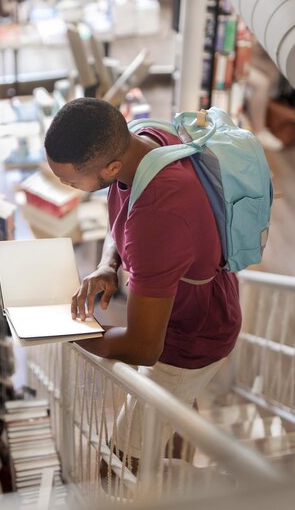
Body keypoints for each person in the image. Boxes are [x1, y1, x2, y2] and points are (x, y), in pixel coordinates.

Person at [44, 97, 242, 468]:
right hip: (200, 308)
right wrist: (107, 264)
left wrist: (69, 333)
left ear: (111, 167)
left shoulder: (158, 217)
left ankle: (196, 489)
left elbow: (143, 346)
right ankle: (185, 477)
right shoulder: (143, 140)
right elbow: (121, 218)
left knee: (117, 470)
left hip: (192, 340)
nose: (64, 185)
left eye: (69, 180)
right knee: (178, 408)